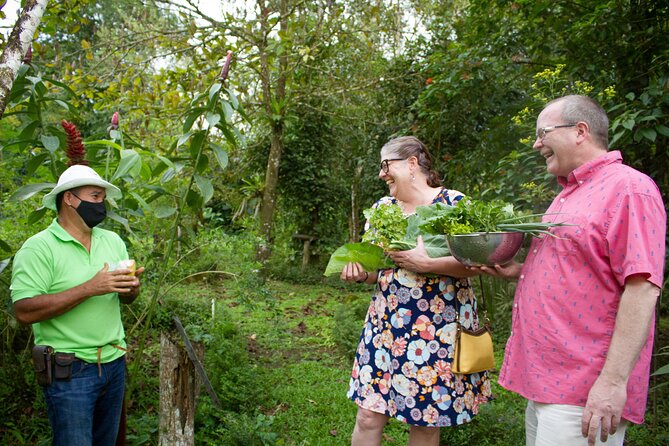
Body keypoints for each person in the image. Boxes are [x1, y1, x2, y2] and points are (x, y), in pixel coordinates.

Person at [479, 95, 666, 446]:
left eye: (543, 132)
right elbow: (580, 270)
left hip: (585, 387)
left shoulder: (629, 189)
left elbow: (643, 288)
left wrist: (611, 383)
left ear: (580, 131)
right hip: (549, 382)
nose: (536, 143)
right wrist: (519, 271)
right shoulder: (569, 193)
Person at [340, 136, 493, 446]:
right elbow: (377, 270)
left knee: (425, 423)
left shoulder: (454, 203)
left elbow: (480, 265)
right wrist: (359, 272)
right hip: (385, 327)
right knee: (368, 415)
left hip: (438, 332)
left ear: (412, 164)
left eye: (386, 165)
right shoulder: (383, 208)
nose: (381, 174)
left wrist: (427, 264)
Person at [10, 164, 145, 446]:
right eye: (95, 197)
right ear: (69, 199)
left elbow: (125, 298)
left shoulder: (112, 241)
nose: (101, 204)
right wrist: (89, 288)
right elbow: (23, 311)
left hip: (114, 362)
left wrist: (130, 289)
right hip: (71, 371)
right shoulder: (39, 248)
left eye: (102, 198)